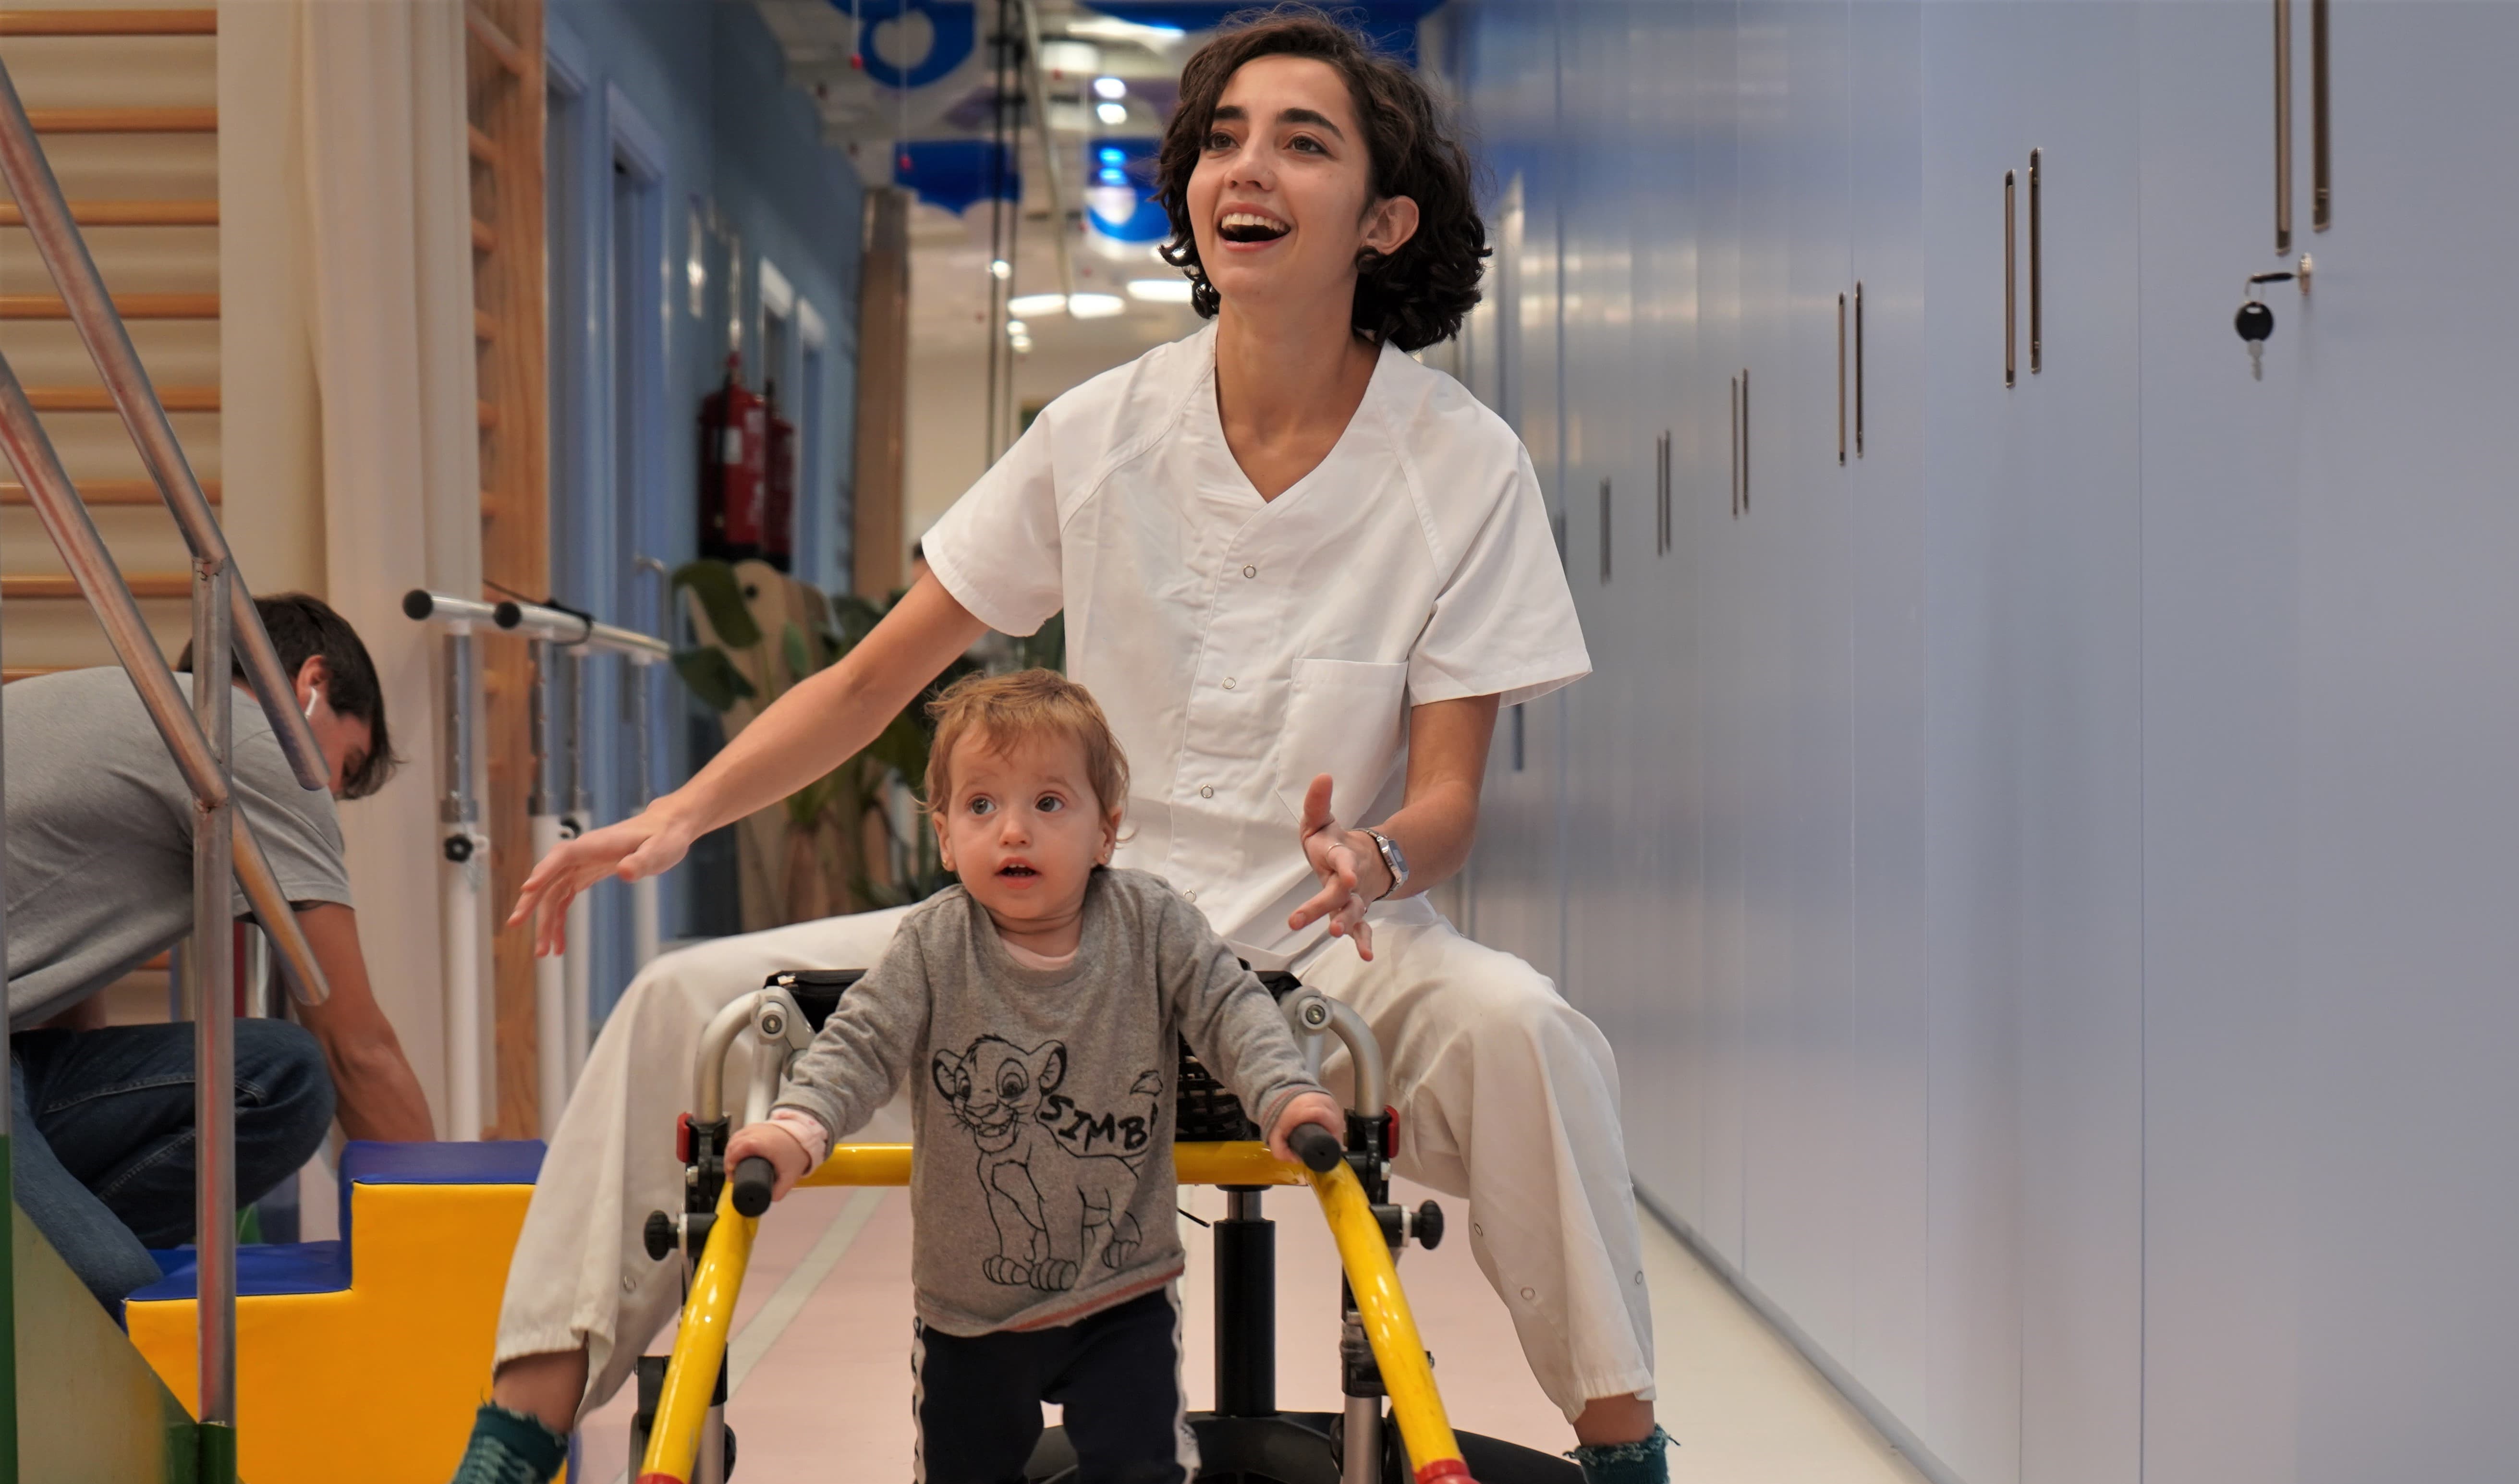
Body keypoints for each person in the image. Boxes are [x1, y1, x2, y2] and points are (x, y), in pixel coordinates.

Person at [459, 13, 1668, 1484]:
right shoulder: (1102, 431)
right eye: (1222, 137)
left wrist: (1375, 853)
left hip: (1327, 953)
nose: (1246, 166)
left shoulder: (1460, 462)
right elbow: (871, 678)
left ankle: (1626, 1453)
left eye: (1301, 143)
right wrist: (679, 815)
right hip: (1055, 940)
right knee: (678, 1002)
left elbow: (1449, 798)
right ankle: (512, 1440)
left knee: (1530, 1030)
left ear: (1383, 220)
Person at [761, 671, 1344, 1483]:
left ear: (1105, 831)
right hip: (971, 1312)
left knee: (1141, 1471)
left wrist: (1284, 1090)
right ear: (944, 837)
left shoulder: (1150, 923)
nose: (1013, 831)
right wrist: (800, 1123)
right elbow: (861, 1042)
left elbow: (1229, 1006)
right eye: (981, 805)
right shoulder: (933, 944)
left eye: (1047, 803)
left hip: (1122, 1294)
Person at [5, 593, 439, 1316]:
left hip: (17, 1056)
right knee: (118, 1304)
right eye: (348, 762)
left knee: (281, 1073)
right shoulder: (248, 741)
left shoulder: (124, 705)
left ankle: (40, 1253)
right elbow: (357, 1047)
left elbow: (62, 955)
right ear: (312, 682)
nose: (329, 793)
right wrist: (446, 1244)